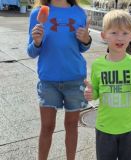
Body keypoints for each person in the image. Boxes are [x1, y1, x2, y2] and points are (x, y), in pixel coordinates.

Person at [27, 0, 92, 159]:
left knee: (71, 126)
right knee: (47, 127)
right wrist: (36, 42)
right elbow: (31, 52)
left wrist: (86, 39)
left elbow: (82, 47)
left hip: (75, 78)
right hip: (49, 79)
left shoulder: (79, 12)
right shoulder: (37, 13)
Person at [84, 10, 131, 160]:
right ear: (104, 35)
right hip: (104, 128)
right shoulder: (98, 65)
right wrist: (90, 94)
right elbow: (96, 93)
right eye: (114, 33)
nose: (120, 37)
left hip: (129, 127)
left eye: (125, 33)